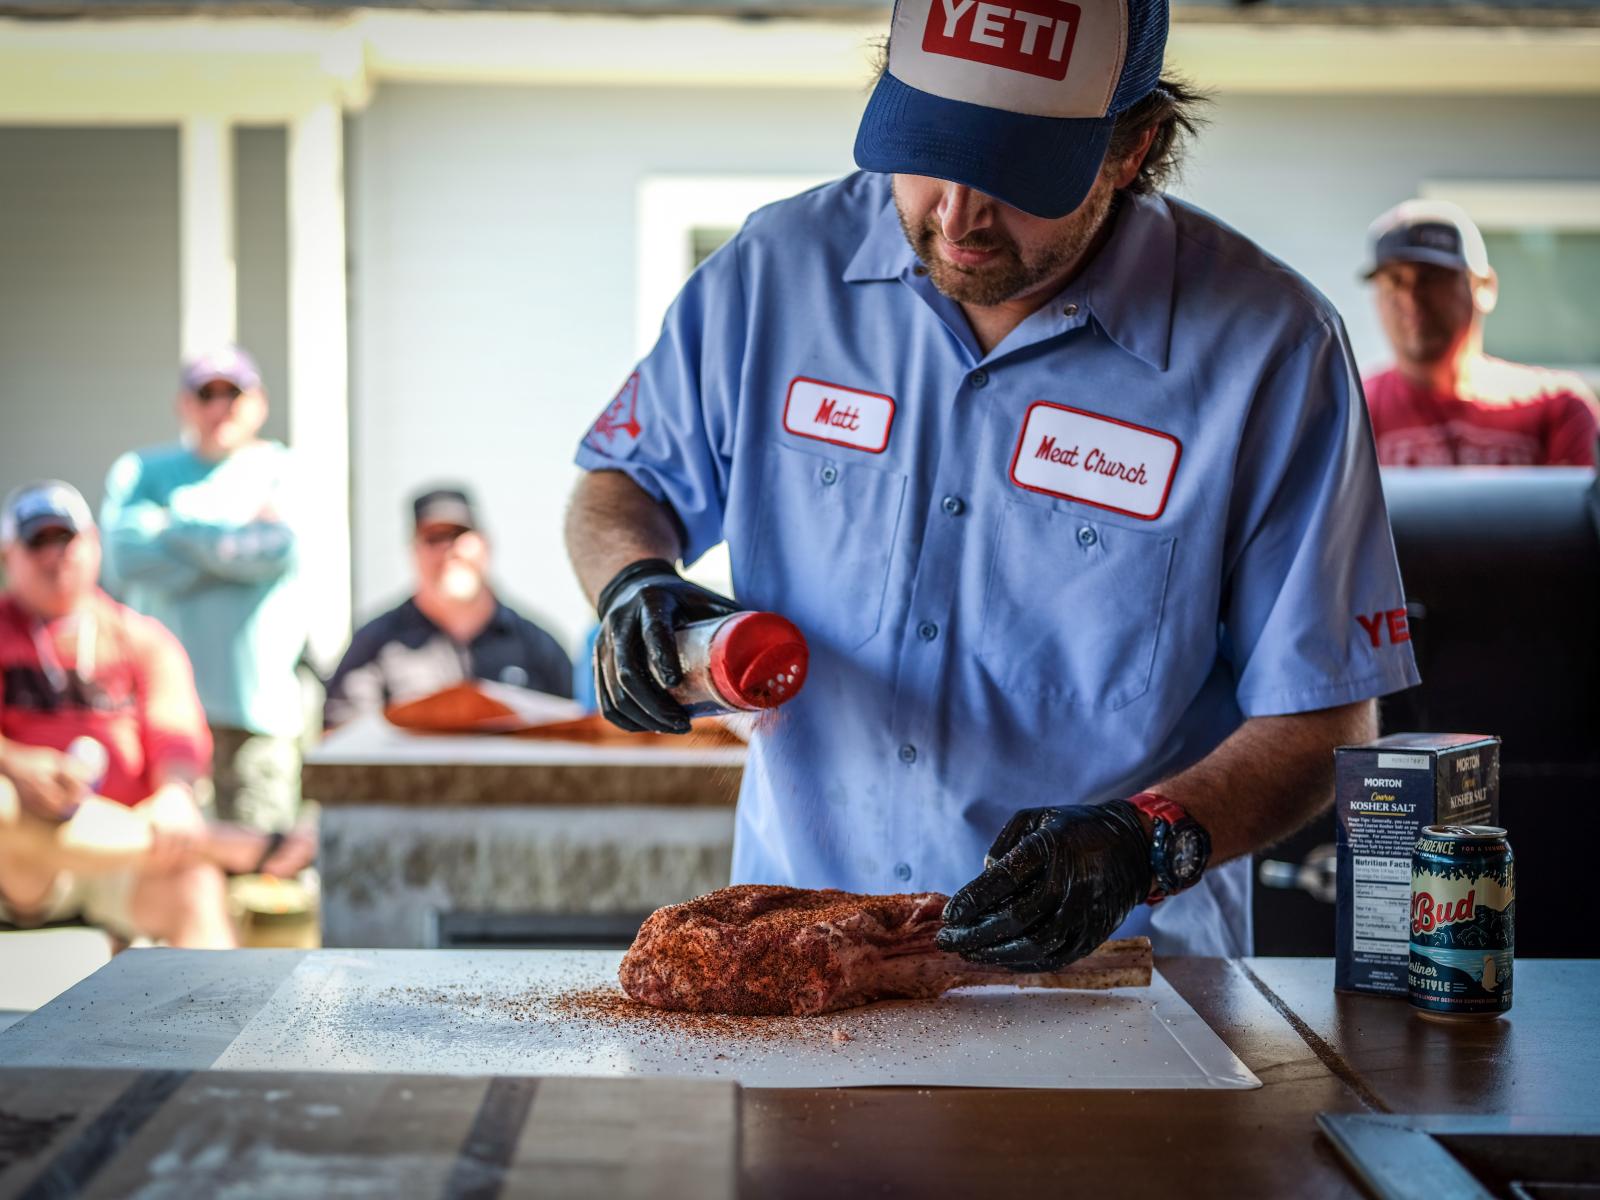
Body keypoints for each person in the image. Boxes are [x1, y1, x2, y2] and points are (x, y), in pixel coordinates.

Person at [565, 0, 1421, 965]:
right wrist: (632, 580)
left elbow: (1323, 717)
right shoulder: (773, 275)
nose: (959, 217)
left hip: (1121, 984)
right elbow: (619, 485)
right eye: (929, 153)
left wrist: (1145, 840)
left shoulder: (1268, 348)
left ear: (1131, 149)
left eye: (1017, 176)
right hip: (806, 961)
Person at [0, 482, 312, 949]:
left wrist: (174, 792)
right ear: (10, 556)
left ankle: (220, 1025)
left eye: (65, 539)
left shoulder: (140, 637)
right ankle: (219, 841)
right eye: (37, 542)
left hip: (128, 862)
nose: (55, 555)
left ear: (92, 545)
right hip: (23, 862)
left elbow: (176, 730)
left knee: (196, 887)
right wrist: (17, 764)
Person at [99, 345, 308, 834]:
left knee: (261, 872)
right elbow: (126, 557)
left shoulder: (284, 471)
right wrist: (227, 542)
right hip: (162, 716)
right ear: (183, 404)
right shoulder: (142, 473)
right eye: (205, 393)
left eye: (232, 394)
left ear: (258, 403)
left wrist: (174, 525)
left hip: (256, 716)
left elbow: (274, 550)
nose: (219, 407)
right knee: (170, 863)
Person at [1361, 199, 1600, 466]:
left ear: (1483, 287)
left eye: (1432, 276)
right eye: (1394, 280)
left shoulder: (1557, 408)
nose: (1411, 296)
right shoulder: (1354, 414)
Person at [322, 487, 573, 728]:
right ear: (413, 552)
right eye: (433, 538)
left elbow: (574, 739)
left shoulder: (538, 645)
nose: (447, 550)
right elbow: (343, 742)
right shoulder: (373, 646)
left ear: (485, 544)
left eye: (458, 535)